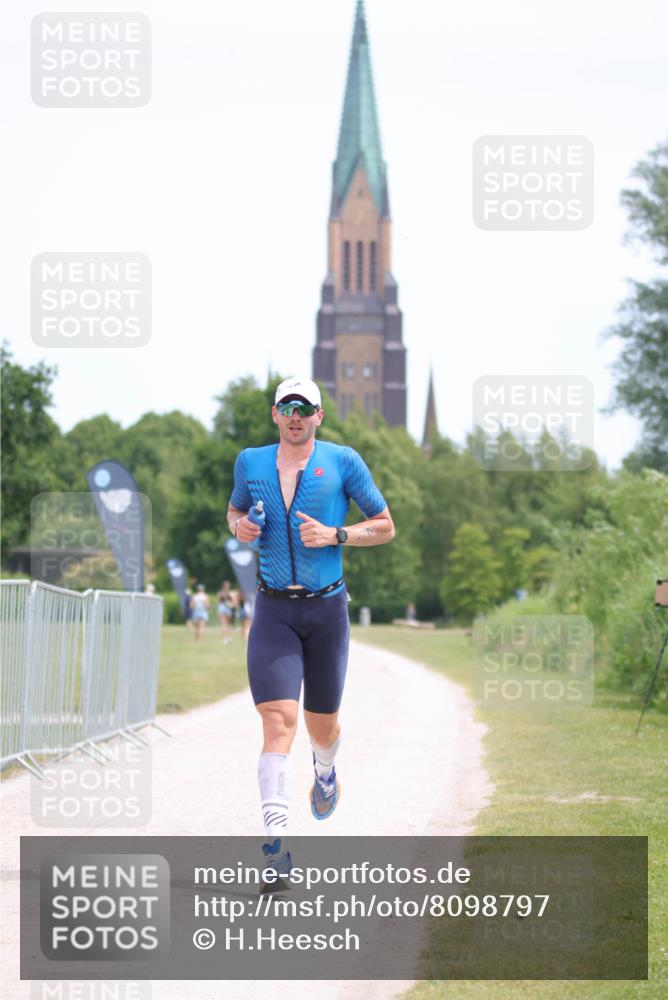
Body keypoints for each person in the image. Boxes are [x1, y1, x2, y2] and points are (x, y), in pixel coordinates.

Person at [227, 375, 395, 876]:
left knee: (323, 729)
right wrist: (241, 525)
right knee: (278, 723)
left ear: (319, 415)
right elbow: (234, 510)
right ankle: (275, 849)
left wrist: (337, 533)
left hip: (326, 612)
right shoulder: (250, 462)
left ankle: (325, 771)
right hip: (274, 610)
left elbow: (385, 525)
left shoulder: (343, 460)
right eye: (287, 406)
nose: (295, 415)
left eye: (305, 407)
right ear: (275, 414)